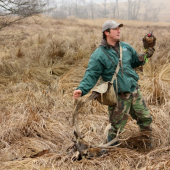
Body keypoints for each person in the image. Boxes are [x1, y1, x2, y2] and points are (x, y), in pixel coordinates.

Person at [73, 20, 154, 148]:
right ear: (106, 32)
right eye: (115, 29)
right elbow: (91, 74)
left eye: (119, 28)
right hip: (118, 97)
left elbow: (135, 61)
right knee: (116, 127)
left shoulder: (126, 47)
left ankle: (147, 146)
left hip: (134, 92)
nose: (119, 31)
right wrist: (81, 89)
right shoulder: (99, 54)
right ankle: (112, 151)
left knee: (146, 119)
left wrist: (145, 55)